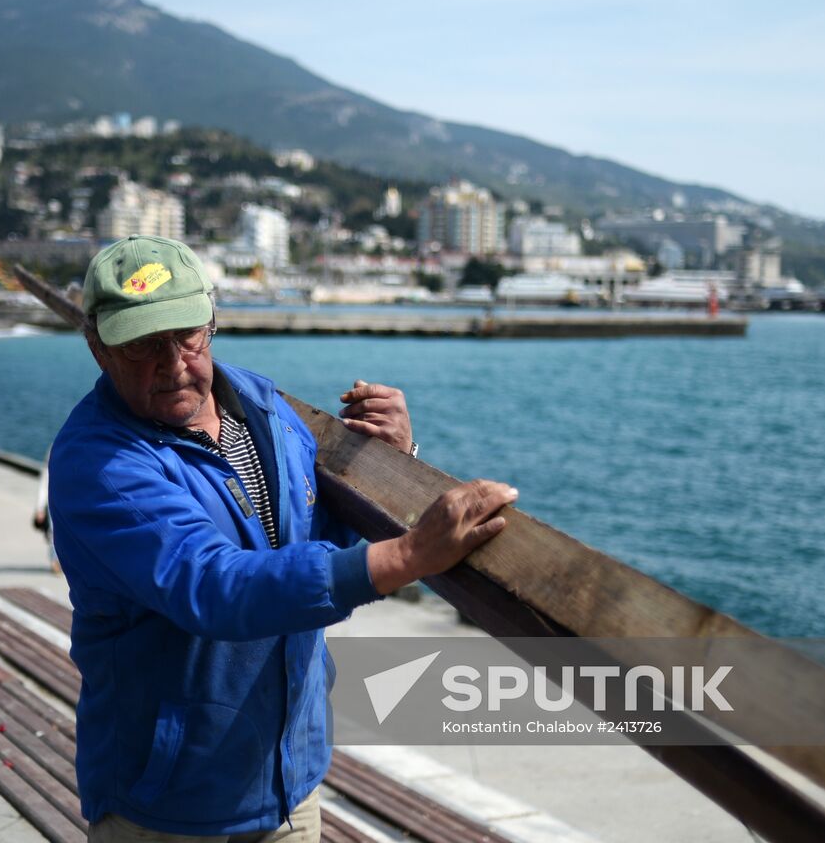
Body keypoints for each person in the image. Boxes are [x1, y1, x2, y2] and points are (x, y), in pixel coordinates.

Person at [50, 236, 516, 839]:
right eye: (141, 343)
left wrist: (394, 461)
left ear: (212, 321)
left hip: (290, 786)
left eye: (185, 333)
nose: (171, 363)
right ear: (98, 348)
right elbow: (213, 586)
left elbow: (309, 534)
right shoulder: (102, 465)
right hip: (166, 808)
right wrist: (407, 556)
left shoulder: (261, 405)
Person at [31, 447, 61, 573]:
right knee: (53, 532)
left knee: (58, 533)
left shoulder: (58, 446)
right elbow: (45, 480)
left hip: (65, 498)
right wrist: (39, 508)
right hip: (54, 499)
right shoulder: (54, 449)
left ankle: (59, 561)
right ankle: (55, 561)